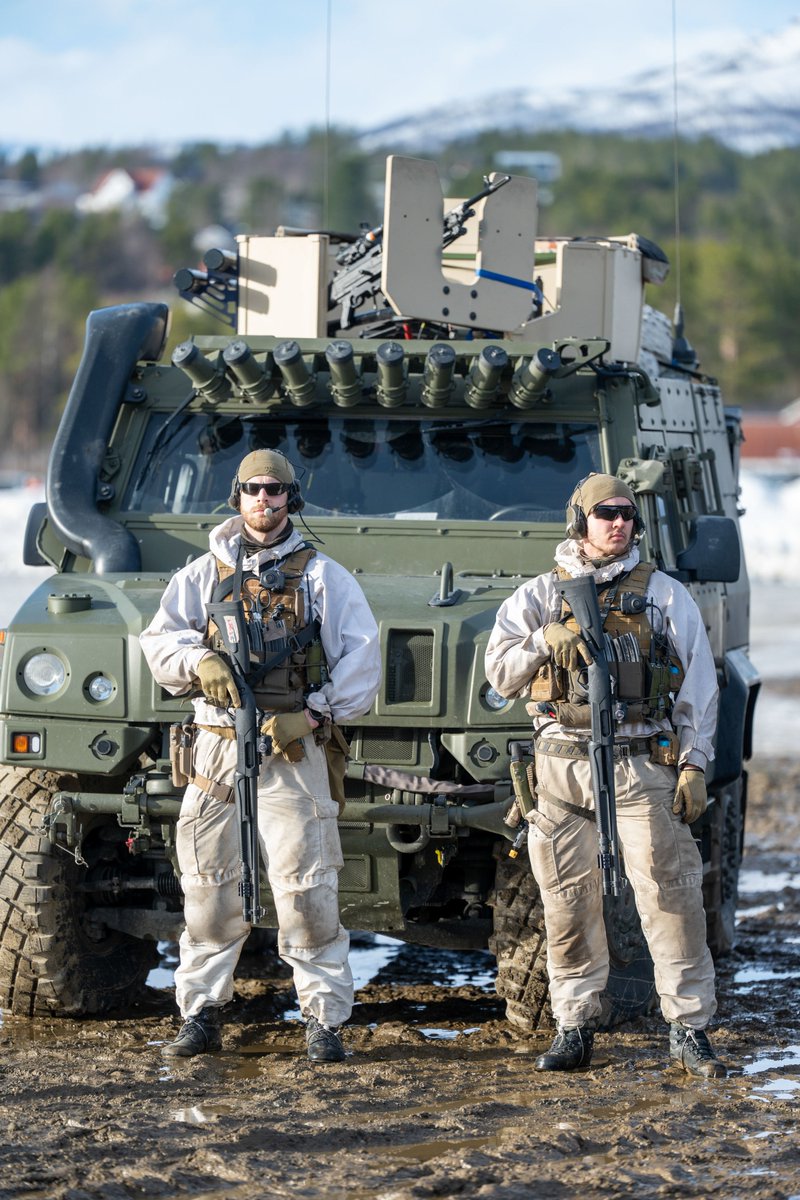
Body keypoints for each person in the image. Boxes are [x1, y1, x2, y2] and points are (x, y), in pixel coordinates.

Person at [140, 449, 381, 1062]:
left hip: (290, 749)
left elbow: (361, 663)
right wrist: (200, 659)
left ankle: (323, 1021)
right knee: (209, 889)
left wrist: (315, 713)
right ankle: (200, 1014)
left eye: (274, 490)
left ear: (290, 499)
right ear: (238, 495)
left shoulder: (322, 577)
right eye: (253, 489)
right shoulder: (202, 574)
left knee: (307, 891)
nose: (263, 500)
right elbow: (161, 642)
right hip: (217, 749)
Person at [484, 472, 727, 1079]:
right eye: (605, 513)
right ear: (580, 521)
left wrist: (694, 765)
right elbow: (500, 675)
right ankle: (574, 1025)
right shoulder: (541, 595)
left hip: (639, 763)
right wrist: (545, 639)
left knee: (670, 897)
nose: (618, 523)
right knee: (567, 904)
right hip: (560, 767)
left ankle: (689, 1028)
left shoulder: (665, 594)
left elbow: (699, 688)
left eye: (626, 514)